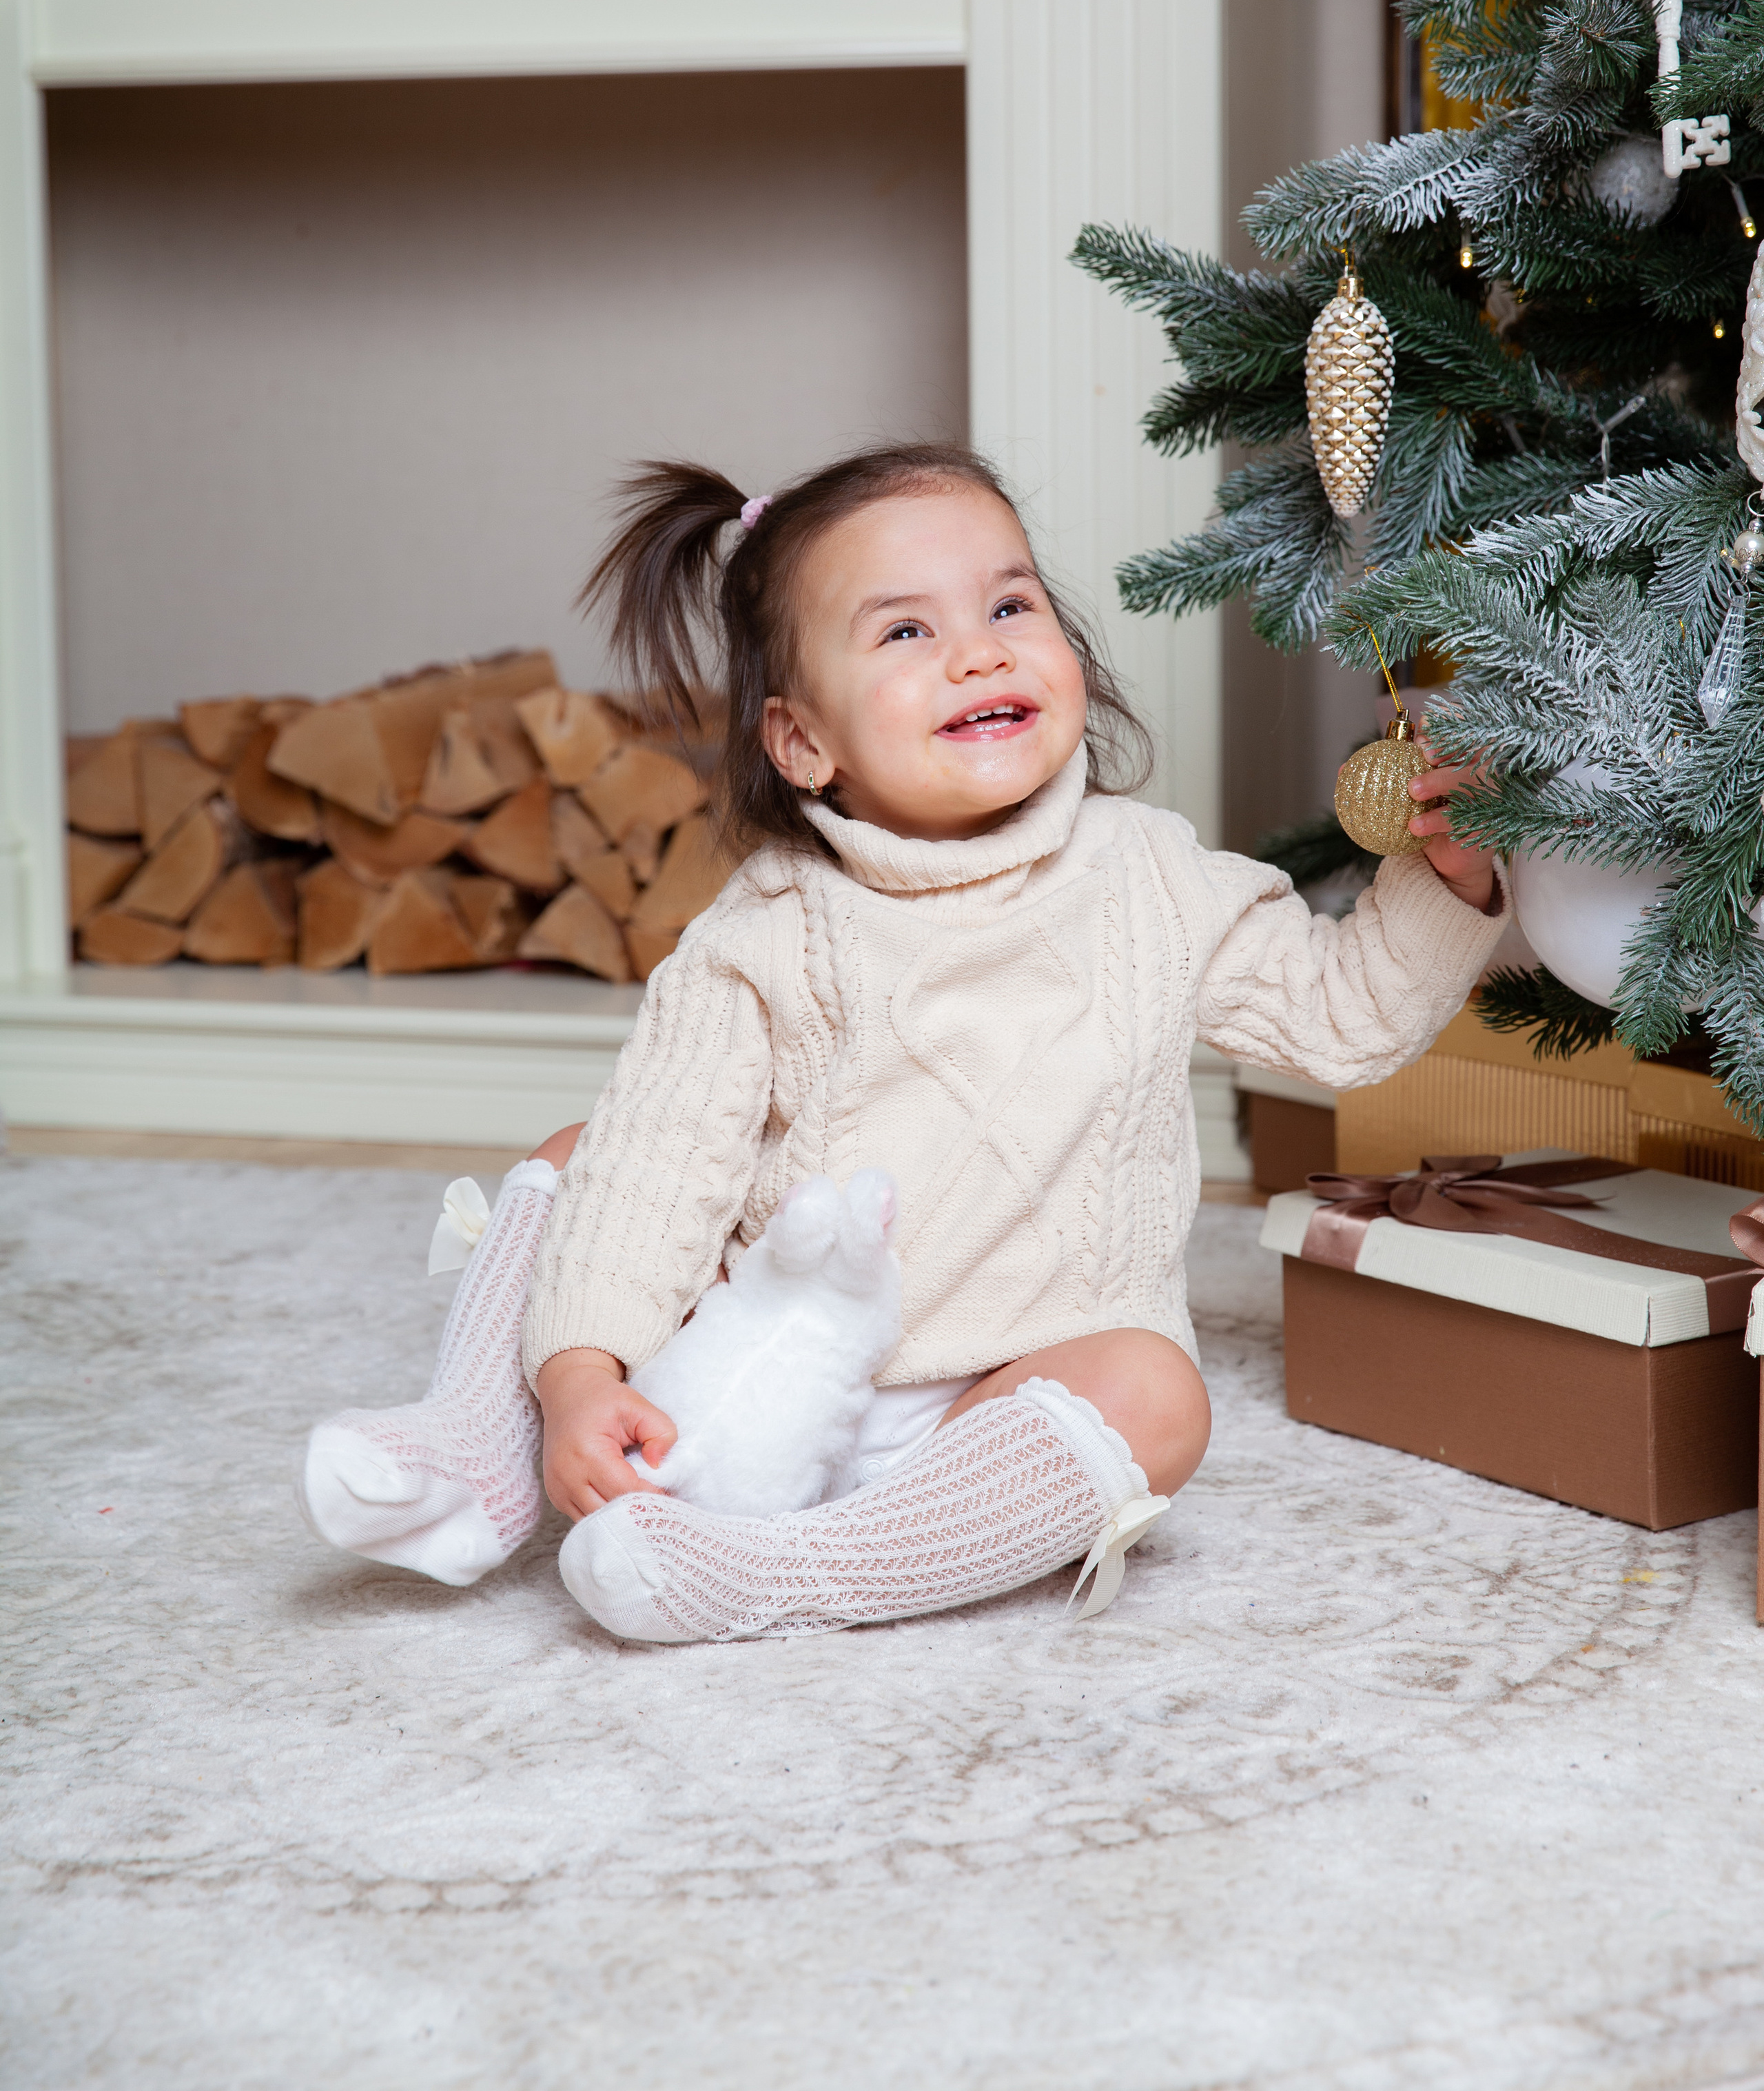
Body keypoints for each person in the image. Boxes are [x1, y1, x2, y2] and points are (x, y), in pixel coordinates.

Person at [301, 444, 1504, 1642]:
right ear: (801, 742)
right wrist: (579, 1378)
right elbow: (663, 1164)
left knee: (1157, 1393)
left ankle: (790, 1574)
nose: (980, 649)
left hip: (983, 1417)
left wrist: (1442, 883)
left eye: (1010, 604)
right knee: (593, 1152)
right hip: (746, 1362)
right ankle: (486, 1439)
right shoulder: (770, 929)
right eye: (905, 634)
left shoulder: (1152, 877)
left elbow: (1347, 1019)